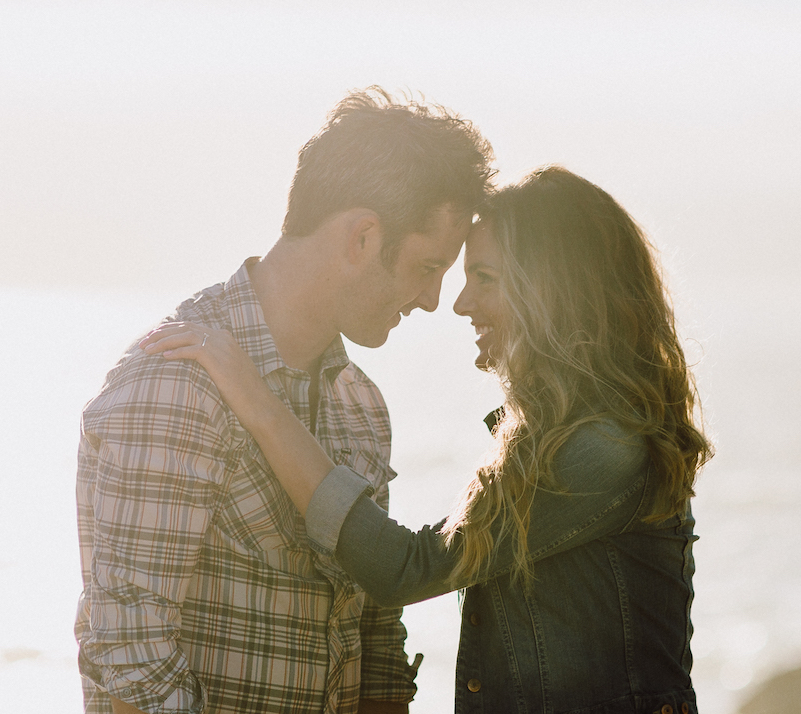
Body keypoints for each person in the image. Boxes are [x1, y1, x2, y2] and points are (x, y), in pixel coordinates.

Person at [142, 166, 712, 712]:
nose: (458, 304)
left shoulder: (603, 450)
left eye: (484, 278)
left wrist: (260, 402)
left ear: (553, 292)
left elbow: (403, 568)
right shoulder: (562, 434)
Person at [75, 88, 496, 714]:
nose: (434, 299)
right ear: (362, 238)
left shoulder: (361, 406)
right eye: (428, 266)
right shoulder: (175, 383)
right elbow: (129, 655)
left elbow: (376, 640)